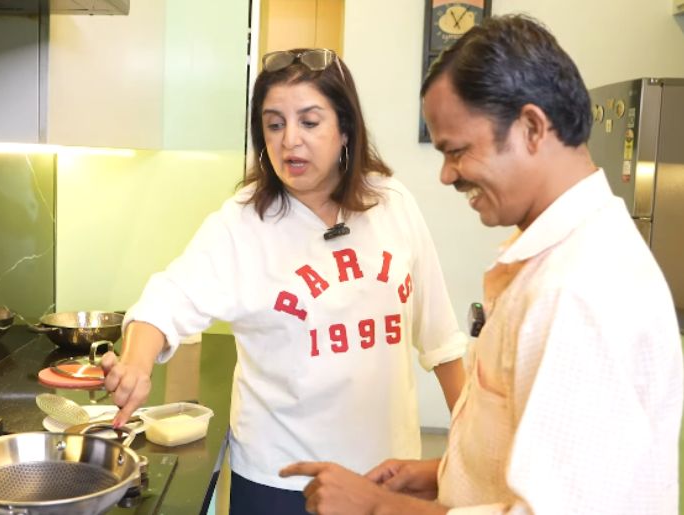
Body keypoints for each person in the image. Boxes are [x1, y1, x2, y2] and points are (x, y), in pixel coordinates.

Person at [280, 15, 684, 515]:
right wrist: (444, 473)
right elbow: (548, 461)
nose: (447, 175)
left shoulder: (578, 290)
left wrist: (376, 508)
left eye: (457, 151)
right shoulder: (551, 259)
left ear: (532, 127)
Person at [101, 48, 468, 514]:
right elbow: (168, 298)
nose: (290, 140)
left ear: (345, 128)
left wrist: (472, 449)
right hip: (281, 480)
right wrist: (136, 362)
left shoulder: (391, 204)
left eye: (310, 122)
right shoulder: (242, 223)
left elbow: (441, 338)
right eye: (274, 124)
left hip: (385, 473)